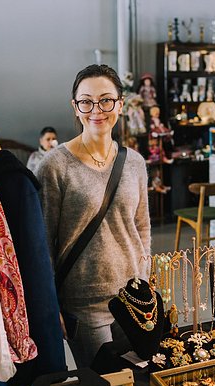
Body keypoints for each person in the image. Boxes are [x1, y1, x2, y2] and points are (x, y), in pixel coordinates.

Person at [37, 64, 151, 367]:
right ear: (75, 107)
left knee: (139, 379)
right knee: (103, 384)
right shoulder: (54, 166)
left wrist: (145, 279)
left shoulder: (135, 162)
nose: (96, 109)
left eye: (105, 100)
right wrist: (51, 305)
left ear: (120, 104)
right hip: (85, 302)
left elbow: (142, 227)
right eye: (86, 101)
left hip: (133, 296)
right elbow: (43, 242)